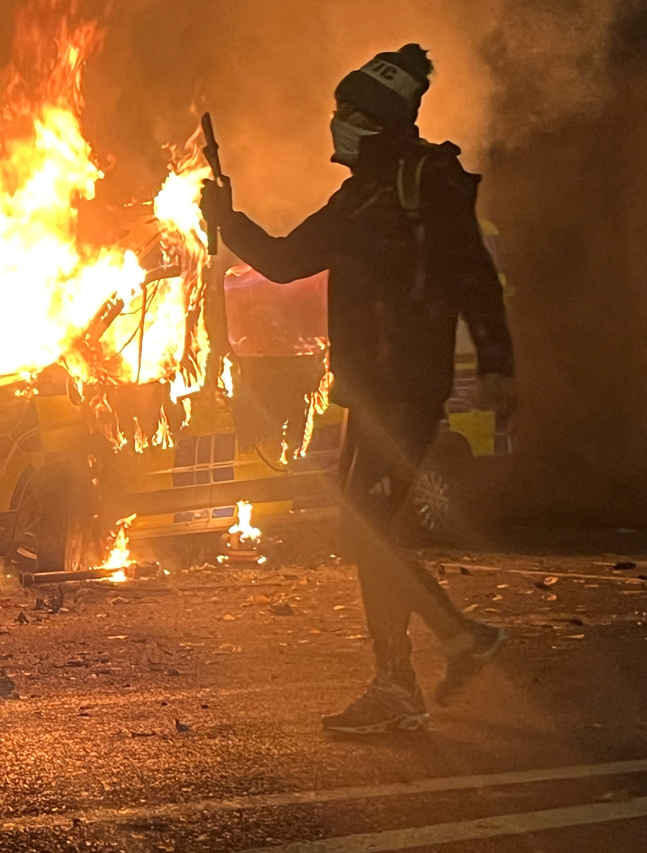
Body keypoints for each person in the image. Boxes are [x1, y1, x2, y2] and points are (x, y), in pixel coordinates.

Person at [201, 44, 516, 734]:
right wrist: (227, 220)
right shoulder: (361, 194)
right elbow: (284, 261)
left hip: (406, 387)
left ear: (377, 118)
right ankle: (413, 668)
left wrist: (496, 363)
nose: (336, 122)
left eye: (348, 111)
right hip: (368, 389)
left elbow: (472, 274)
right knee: (362, 527)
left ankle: (432, 657)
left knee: (364, 527)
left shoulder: (423, 183)